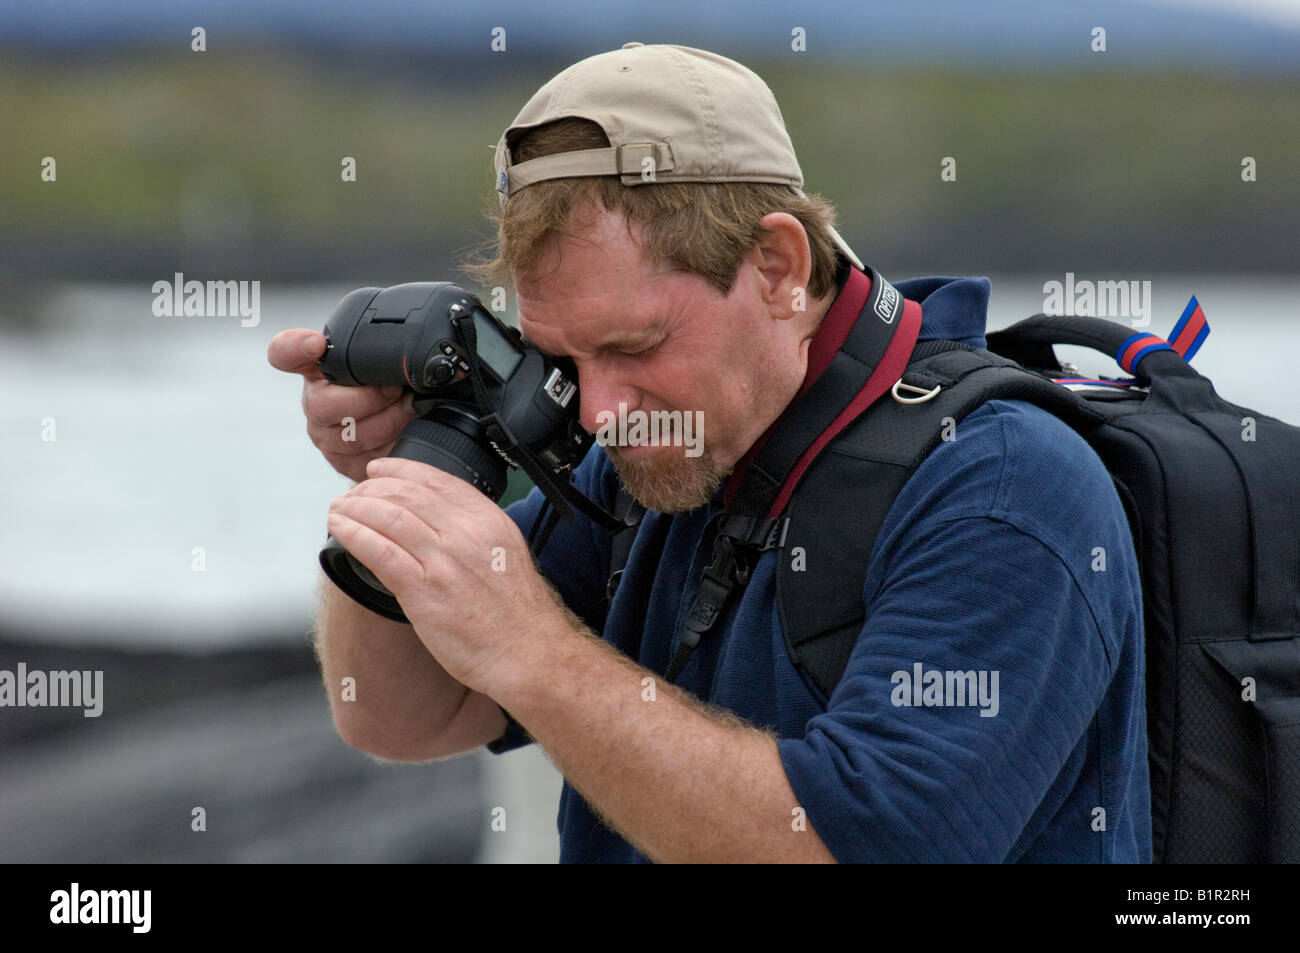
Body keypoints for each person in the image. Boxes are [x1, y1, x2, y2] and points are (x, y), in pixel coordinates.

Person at [268, 43, 1151, 863]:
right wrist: (410, 475)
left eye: (635, 345)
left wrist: (536, 651)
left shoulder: (1001, 482)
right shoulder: (657, 453)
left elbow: (867, 842)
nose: (604, 412)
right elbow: (397, 716)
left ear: (776, 266)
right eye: (566, 359)